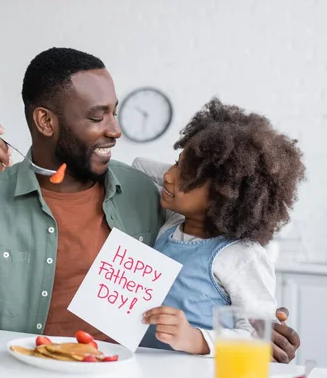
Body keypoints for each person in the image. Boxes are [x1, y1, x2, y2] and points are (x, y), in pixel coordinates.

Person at [0, 47, 301, 362]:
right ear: (46, 122)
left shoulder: (147, 194)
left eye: (115, 113)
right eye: (97, 116)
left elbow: (227, 213)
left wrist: (259, 326)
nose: (116, 130)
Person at [131, 98, 306, 358]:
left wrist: (197, 339)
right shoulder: (172, 223)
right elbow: (138, 166)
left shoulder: (241, 256)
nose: (168, 176)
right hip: (143, 364)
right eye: (177, 164)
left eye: (187, 175)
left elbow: (261, 338)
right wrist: (189, 165)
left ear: (224, 195)